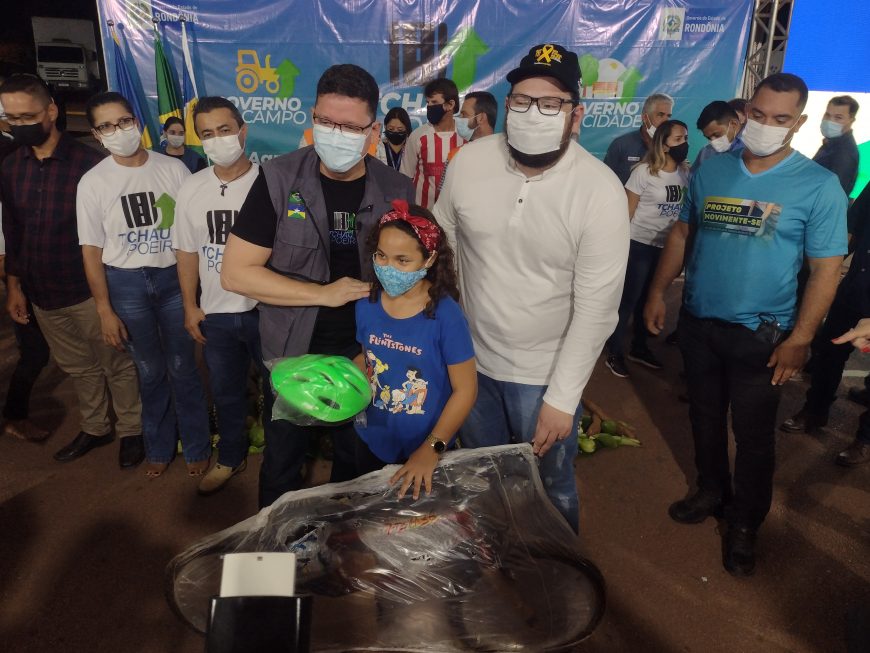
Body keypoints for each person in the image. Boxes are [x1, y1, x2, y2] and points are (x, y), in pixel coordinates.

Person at [643, 73, 848, 576]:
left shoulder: (818, 186)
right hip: (698, 325)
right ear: (744, 114)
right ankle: (712, 490)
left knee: (754, 436)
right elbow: (682, 233)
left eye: (780, 119)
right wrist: (655, 292)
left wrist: (801, 338)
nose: (765, 125)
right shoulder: (712, 170)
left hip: (762, 336)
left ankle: (745, 522)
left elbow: (826, 268)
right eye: (757, 115)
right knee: (705, 418)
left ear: (798, 124)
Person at [434, 43, 630, 533]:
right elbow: (446, 244)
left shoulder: (599, 190)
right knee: (482, 471)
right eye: (521, 101)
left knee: (551, 481)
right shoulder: (469, 162)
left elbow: (596, 308)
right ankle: (496, 552)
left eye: (551, 103)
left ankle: (558, 576)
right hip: (472, 361)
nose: (532, 113)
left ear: (575, 114)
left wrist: (563, 398)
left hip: (543, 372)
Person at [221, 64, 414, 508]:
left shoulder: (397, 189)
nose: (336, 133)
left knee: (359, 464)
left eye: (350, 126)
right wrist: (321, 293)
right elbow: (236, 273)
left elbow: (412, 275)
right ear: (312, 116)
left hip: (366, 353)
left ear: (371, 130)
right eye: (326, 122)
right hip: (293, 353)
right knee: (283, 463)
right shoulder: (278, 179)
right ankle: (277, 550)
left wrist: (392, 345)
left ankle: (347, 549)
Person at [0, 75, 143, 465]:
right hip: (41, 294)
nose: (19, 125)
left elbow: (114, 235)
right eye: (11, 118)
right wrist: (14, 286)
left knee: (117, 364)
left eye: (28, 115)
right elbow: (13, 231)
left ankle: (132, 429)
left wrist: (107, 304)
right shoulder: (11, 167)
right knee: (79, 368)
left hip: (89, 292)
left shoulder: (92, 164)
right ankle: (96, 427)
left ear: (51, 111)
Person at [77, 91, 210, 478]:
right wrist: (104, 309)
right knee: (149, 371)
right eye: (106, 126)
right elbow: (91, 251)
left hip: (173, 280)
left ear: (136, 121)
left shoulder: (173, 169)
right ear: (96, 134)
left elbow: (191, 235)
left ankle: (197, 445)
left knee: (185, 367)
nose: (117, 131)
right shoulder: (93, 183)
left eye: (123, 121)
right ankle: (159, 446)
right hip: (126, 286)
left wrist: (193, 294)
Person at [353, 201, 477, 498]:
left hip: (425, 446)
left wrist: (431, 449)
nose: (388, 268)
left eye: (402, 260)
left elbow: (466, 390)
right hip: (372, 437)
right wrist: (347, 376)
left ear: (429, 259)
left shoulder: (445, 315)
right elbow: (367, 355)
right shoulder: (366, 303)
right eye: (381, 256)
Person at [174, 96, 265, 494]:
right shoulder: (191, 187)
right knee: (226, 392)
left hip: (267, 310)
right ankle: (231, 455)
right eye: (207, 134)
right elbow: (186, 251)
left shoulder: (271, 182)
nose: (217, 140)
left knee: (279, 392)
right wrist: (191, 306)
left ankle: (281, 461)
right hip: (218, 313)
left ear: (243, 131)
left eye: (224, 130)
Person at [780, 182, 870, 466]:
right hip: (855, 292)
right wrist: (824, 270)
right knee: (827, 353)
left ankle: (865, 440)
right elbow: (850, 231)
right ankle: (815, 411)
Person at [605, 120, 689, 378]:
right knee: (629, 300)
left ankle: (639, 348)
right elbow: (627, 212)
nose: (684, 144)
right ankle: (614, 351)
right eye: (677, 139)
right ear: (663, 144)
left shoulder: (685, 173)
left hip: (666, 249)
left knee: (651, 299)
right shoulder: (643, 172)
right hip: (639, 245)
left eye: (685, 138)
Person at [400, 78, 464, 208]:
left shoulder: (465, 136)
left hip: (455, 216)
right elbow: (405, 177)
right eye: (427, 102)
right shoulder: (418, 136)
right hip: (423, 215)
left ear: (450, 105)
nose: (429, 106)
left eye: (434, 102)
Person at [604, 92, 674, 185]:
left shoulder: (672, 147)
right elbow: (604, 180)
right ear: (645, 117)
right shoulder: (621, 144)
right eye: (660, 115)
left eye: (668, 116)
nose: (666, 121)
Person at [813, 95, 860, 196]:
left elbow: (833, 195)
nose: (830, 121)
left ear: (851, 120)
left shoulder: (845, 154)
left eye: (838, 117)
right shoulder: (831, 143)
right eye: (827, 115)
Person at [689, 101, 743, 178]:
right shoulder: (705, 153)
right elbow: (693, 179)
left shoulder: (752, 148)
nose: (713, 142)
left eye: (717, 135)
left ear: (734, 124)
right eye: (708, 137)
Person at [377, 106, 412, 170]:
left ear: (407, 128)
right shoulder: (377, 147)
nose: (395, 132)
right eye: (391, 129)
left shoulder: (413, 148)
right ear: (385, 126)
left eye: (400, 130)